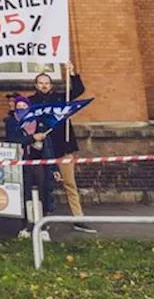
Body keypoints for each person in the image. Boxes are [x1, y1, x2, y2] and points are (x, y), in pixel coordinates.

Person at [29, 65, 94, 233]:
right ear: (36, 85)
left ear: (51, 85)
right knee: (43, 186)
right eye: (40, 83)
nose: (44, 85)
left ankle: (78, 218)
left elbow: (79, 90)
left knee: (70, 184)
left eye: (47, 82)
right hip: (43, 150)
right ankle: (43, 220)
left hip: (63, 147)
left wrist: (72, 73)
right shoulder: (31, 102)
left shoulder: (61, 97)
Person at [5, 94, 57, 240]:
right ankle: (26, 225)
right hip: (22, 163)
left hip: (40, 162)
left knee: (43, 193)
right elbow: (13, 139)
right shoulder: (11, 122)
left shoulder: (40, 123)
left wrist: (54, 168)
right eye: (18, 106)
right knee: (25, 194)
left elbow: (49, 146)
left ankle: (43, 225)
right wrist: (31, 139)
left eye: (24, 106)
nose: (21, 109)